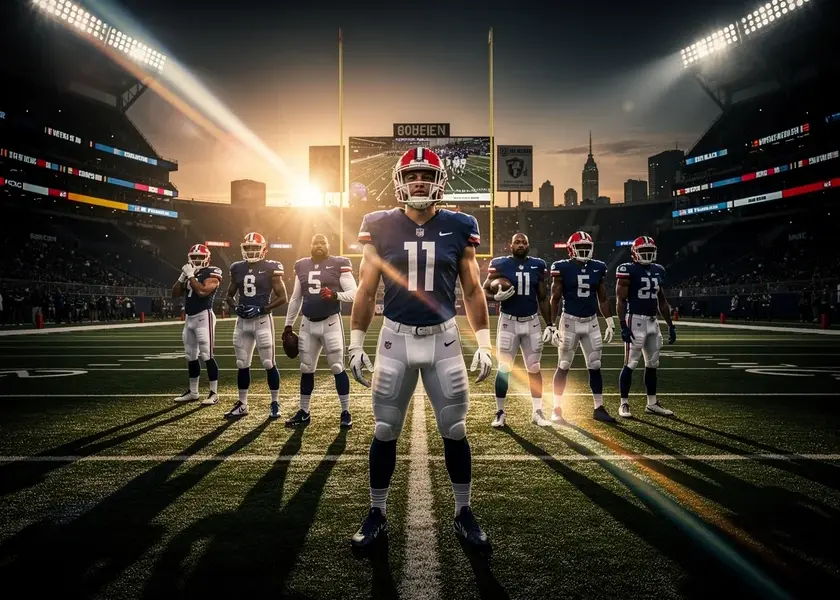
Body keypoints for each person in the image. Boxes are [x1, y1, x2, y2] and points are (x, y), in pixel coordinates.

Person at [348, 147, 492, 550]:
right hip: (395, 337)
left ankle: (463, 512)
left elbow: (472, 288)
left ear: (439, 181)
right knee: (385, 428)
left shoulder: (460, 225)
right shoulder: (378, 224)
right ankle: (377, 513)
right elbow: (366, 289)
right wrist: (356, 342)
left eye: (426, 175)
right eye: (411, 175)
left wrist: (483, 343)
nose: (418, 182)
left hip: (443, 338)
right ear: (400, 181)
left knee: (455, 428)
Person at [283, 234, 357, 428]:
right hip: (307, 323)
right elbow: (296, 298)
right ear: (310, 245)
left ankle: (345, 412)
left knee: (337, 367)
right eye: (315, 242)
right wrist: (288, 325)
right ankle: (304, 412)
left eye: (322, 243)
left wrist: (335, 295)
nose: (319, 246)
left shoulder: (339, 263)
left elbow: (354, 293)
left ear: (328, 246)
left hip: (330, 322)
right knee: (306, 367)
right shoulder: (301, 265)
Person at [482, 232, 553, 428]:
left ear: (528, 245)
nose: (520, 245)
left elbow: (543, 297)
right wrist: (494, 298)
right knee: (504, 367)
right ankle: (500, 412)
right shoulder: (500, 264)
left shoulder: (538, 265)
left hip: (532, 321)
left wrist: (550, 324)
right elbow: (485, 289)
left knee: (534, 367)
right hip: (509, 321)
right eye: (517, 242)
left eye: (524, 242)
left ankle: (537, 411)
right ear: (510, 245)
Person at [549, 231, 616, 423]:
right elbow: (555, 298)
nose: (585, 250)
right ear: (571, 249)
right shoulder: (562, 267)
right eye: (581, 247)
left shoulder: (598, 267)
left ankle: (599, 408)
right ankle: (556, 408)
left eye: (587, 247)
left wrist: (609, 321)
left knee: (595, 365)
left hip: (591, 322)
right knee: (563, 365)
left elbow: (603, 297)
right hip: (569, 321)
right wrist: (551, 325)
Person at [224, 232, 288, 418]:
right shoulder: (237, 268)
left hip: (262, 321)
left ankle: (275, 402)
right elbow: (229, 295)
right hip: (243, 321)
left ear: (264, 250)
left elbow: (283, 297)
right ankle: (242, 404)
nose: (251, 251)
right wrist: (235, 307)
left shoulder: (271, 267)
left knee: (268, 362)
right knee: (242, 363)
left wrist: (262, 309)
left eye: (255, 247)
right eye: (248, 247)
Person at [615, 236, 676, 418]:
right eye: (643, 251)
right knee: (630, 363)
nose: (647, 254)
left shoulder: (658, 270)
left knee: (652, 364)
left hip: (652, 321)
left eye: (650, 251)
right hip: (635, 320)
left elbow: (662, 301)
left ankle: (652, 403)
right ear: (634, 253)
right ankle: (624, 404)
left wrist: (670, 324)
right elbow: (620, 300)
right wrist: (623, 324)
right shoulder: (627, 269)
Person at [172, 244, 223, 405]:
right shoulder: (189, 273)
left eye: (200, 257)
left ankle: (214, 393)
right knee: (190, 356)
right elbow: (175, 293)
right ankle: (193, 392)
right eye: (194, 257)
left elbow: (202, 292)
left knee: (207, 355)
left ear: (207, 258)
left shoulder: (212, 271)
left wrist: (190, 275)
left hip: (204, 316)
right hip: (189, 318)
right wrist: (183, 276)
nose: (196, 260)